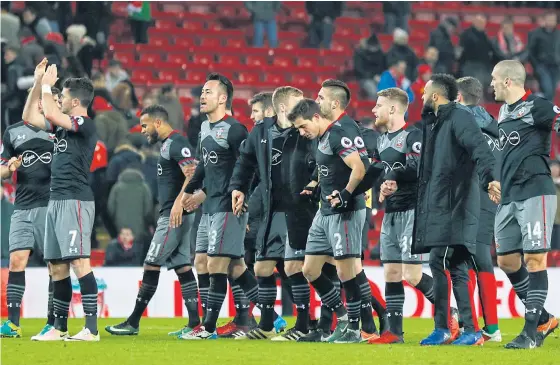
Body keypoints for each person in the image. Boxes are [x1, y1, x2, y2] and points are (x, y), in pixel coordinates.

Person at [180, 73, 272, 340]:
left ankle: (208, 327)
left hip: (228, 206)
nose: (202, 96)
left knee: (217, 264)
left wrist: (242, 197)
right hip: (209, 208)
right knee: (217, 264)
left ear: (223, 98)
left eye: (209, 92)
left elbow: (248, 170)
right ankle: (272, 318)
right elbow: (203, 167)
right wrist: (188, 193)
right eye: (202, 91)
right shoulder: (204, 129)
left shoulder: (236, 130)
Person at [414, 73, 499, 346]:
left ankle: (459, 329)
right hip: (441, 202)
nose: (422, 96)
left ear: (436, 96)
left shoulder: (459, 118)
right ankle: (459, 329)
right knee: (451, 265)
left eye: (425, 92)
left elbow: (480, 149)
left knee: (443, 261)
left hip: (457, 202)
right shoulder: (436, 123)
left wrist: (490, 180)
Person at [105, 105, 200, 337]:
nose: (143, 130)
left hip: (174, 215)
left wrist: (178, 203)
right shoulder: (168, 145)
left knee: (151, 262)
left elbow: (193, 173)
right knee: (183, 265)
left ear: (158, 123)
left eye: (145, 125)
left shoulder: (177, 143)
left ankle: (133, 322)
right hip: (177, 213)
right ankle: (195, 323)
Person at [229, 86, 316, 341]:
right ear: (281, 108)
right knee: (263, 267)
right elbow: (245, 162)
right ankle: (266, 327)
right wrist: (239, 188)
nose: (303, 110)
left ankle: (303, 326)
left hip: (298, 209)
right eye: (297, 105)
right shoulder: (261, 131)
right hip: (270, 210)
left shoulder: (303, 131)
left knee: (294, 267)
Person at [24, 59, 100, 341]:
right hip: (56, 199)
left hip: (75, 200)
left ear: (76, 101)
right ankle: (59, 327)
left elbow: (54, 115)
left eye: (64, 96)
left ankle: (91, 329)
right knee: (56, 265)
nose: (59, 99)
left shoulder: (85, 124)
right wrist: (36, 85)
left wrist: (46, 86)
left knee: (79, 261)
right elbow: (32, 118)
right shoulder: (63, 128)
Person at [287, 98, 370, 343]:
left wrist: (345, 194)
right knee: (309, 270)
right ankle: (343, 317)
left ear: (315, 117)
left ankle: (354, 330)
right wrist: (315, 186)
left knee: (346, 271)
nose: (302, 133)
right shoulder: (321, 139)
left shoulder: (337, 135)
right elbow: (329, 172)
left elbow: (359, 167)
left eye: (303, 127)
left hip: (344, 212)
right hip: (324, 212)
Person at [490, 60, 559, 349]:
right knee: (506, 261)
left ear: (508, 81)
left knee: (534, 260)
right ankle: (544, 318)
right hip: (508, 197)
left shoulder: (538, 106)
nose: (490, 83)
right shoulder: (503, 112)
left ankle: (530, 332)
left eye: (494, 78)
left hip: (535, 191)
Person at [367, 88, 442, 344]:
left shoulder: (412, 136)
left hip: (413, 211)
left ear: (392, 109)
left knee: (412, 274)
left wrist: (393, 179)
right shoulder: (380, 140)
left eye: (378, 106)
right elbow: (378, 171)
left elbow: (417, 167)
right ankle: (394, 333)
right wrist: (380, 188)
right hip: (391, 213)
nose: (374, 110)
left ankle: (449, 313)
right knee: (391, 273)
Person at [314, 80, 381, 341]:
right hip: (339, 206)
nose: (317, 101)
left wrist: (346, 195)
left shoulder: (344, 128)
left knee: (350, 268)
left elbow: (361, 167)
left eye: (321, 97)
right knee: (349, 268)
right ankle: (370, 325)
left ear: (334, 103)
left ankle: (365, 324)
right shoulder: (336, 129)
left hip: (348, 208)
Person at [0, 84, 61, 339]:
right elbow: (2, 171)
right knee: (16, 261)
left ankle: (51, 321)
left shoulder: (59, 131)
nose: (49, 103)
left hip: (51, 206)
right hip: (22, 207)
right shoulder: (13, 132)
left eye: (56, 100)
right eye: (47, 99)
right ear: (34, 100)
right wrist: (10, 168)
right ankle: (13, 324)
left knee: (54, 266)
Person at [456, 76, 502, 342]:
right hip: (492, 196)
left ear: (459, 98)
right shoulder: (494, 124)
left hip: (469, 194)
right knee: (481, 254)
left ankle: (474, 326)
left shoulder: (462, 125)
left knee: (465, 256)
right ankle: (489, 326)